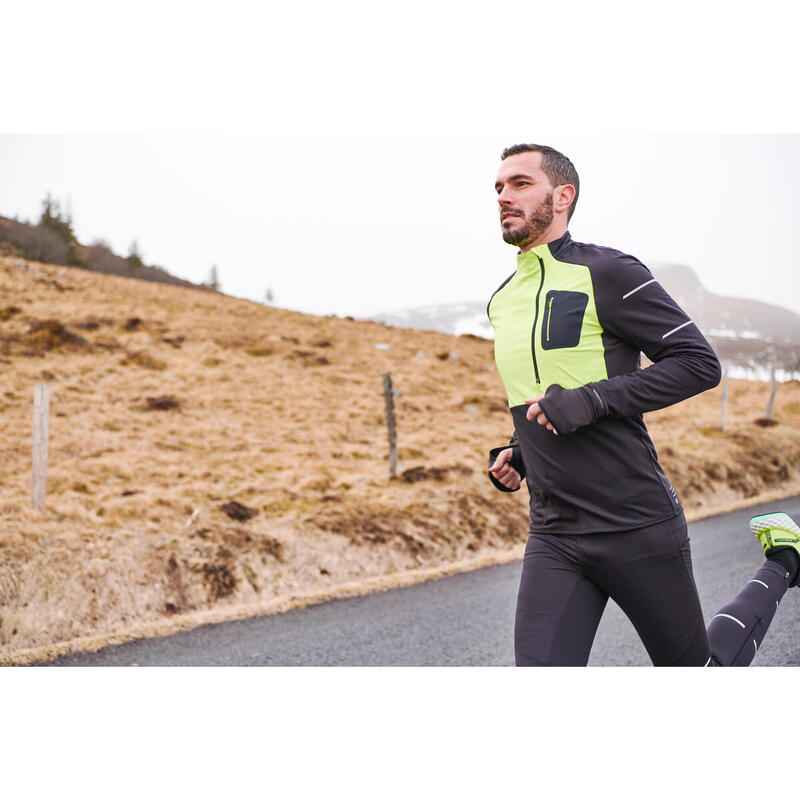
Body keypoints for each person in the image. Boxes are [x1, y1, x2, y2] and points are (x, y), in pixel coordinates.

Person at [486, 143, 800, 666]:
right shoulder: (503, 299)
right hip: (555, 531)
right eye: (498, 187)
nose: (503, 196)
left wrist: (591, 401)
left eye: (519, 183)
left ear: (563, 196)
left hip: (636, 523)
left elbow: (699, 363)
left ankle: (785, 563)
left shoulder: (608, 272)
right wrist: (521, 449)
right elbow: (541, 395)